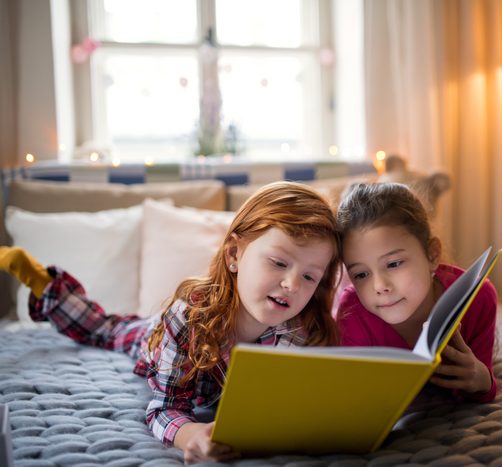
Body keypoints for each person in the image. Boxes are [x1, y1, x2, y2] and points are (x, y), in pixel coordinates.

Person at [0, 181, 341, 463]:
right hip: (155, 336)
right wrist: (189, 433)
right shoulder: (188, 317)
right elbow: (164, 408)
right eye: (279, 263)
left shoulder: (302, 330)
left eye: (310, 276)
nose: (293, 285)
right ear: (234, 255)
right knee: (107, 329)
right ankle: (44, 282)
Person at [335, 182, 497, 402]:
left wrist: (481, 379)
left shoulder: (479, 297)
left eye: (393, 264)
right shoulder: (352, 312)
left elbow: (483, 387)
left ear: (432, 255)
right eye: (361, 275)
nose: (379, 286)